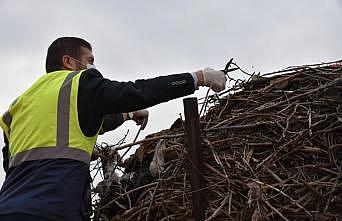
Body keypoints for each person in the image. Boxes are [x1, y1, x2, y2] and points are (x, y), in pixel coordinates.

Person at [0, 37, 226, 221]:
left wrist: (125, 116)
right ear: (68, 61)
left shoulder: (20, 106)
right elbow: (136, 92)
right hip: (54, 210)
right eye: (89, 60)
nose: (92, 65)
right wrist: (196, 78)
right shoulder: (79, 83)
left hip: (8, 209)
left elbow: (72, 126)